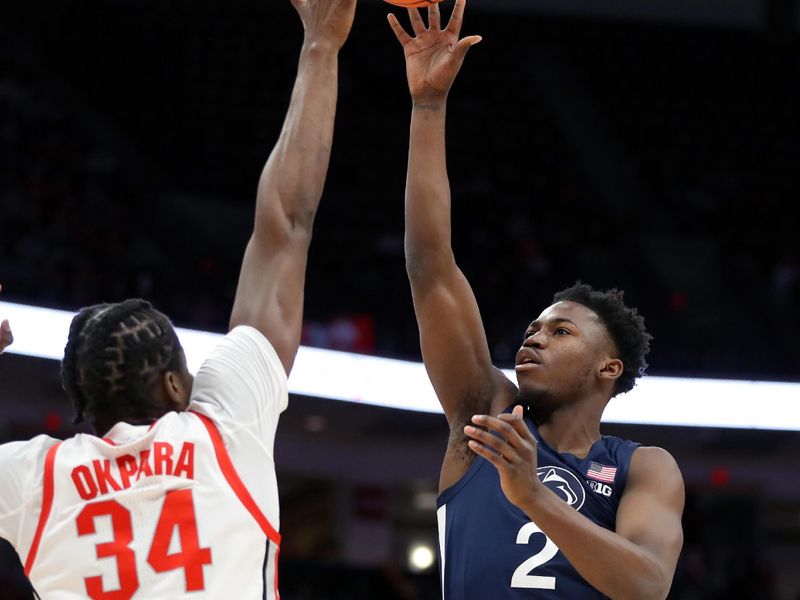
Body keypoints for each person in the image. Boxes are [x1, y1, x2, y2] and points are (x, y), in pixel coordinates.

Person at [0, 0, 356, 597]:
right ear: (171, 386)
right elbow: (286, 224)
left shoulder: (33, 479)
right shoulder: (225, 428)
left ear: (81, 399)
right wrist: (321, 45)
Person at [387, 1, 684, 598]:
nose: (534, 337)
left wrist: (533, 496)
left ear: (609, 368)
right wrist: (427, 106)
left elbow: (648, 587)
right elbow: (429, 269)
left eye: (562, 332)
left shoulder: (643, 466)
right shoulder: (485, 413)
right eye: (535, 328)